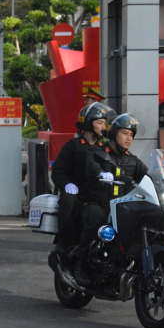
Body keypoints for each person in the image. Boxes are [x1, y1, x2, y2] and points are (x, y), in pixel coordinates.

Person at [77, 113, 149, 285]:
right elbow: (91, 166)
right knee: (97, 220)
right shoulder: (97, 152)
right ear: (114, 133)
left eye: (131, 135)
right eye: (125, 133)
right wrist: (101, 172)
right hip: (97, 203)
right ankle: (81, 266)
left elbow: (148, 176)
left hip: (122, 207)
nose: (128, 138)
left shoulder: (132, 160)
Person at [51, 102, 113, 251]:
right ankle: (65, 241)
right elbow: (58, 171)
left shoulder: (103, 148)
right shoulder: (72, 146)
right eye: (99, 123)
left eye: (104, 123)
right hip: (75, 191)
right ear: (88, 124)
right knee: (69, 199)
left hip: (95, 194)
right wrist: (66, 184)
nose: (103, 127)